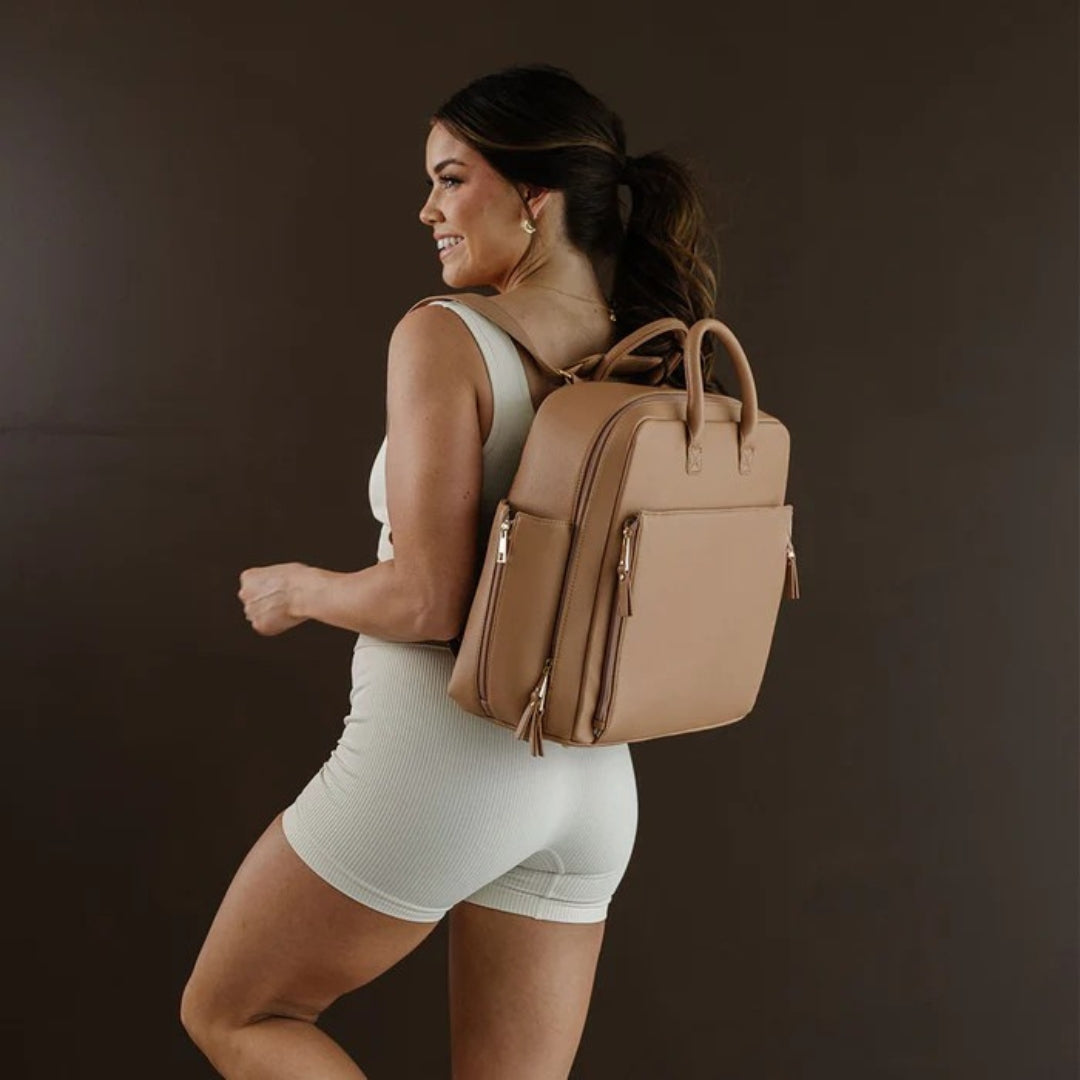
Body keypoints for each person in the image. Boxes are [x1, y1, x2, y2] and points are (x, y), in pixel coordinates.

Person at [180, 63, 724, 1080]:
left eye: (450, 179)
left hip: (448, 756)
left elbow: (430, 600)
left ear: (534, 194)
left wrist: (300, 589)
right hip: (590, 780)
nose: (427, 210)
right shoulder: (646, 354)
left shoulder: (446, 334)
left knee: (238, 1013)